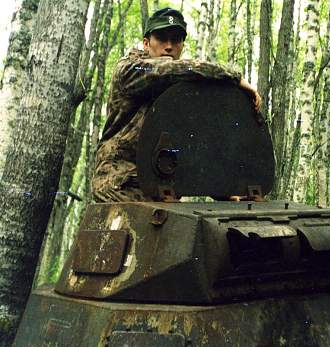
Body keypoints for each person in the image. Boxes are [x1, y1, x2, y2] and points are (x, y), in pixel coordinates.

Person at [92, 7, 261, 202]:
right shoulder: (130, 69)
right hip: (119, 183)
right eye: (162, 38)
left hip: (163, 186)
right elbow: (170, 69)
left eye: (176, 40)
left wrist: (223, 191)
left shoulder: (181, 90)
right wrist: (232, 77)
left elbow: (193, 147)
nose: (169, 46)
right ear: (146, 43)